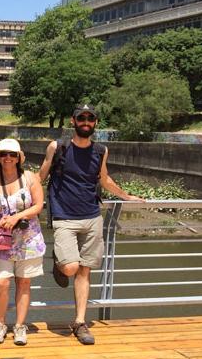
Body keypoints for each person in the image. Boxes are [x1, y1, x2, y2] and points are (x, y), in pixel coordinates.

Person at [38, 104, 145, 345]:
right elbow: (40, 177)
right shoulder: (58, 147)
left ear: (95, 122)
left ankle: (79, 322)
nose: (85, 122)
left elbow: (104, 179)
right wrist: (21, 198)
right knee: (71, 268)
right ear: (73, 121)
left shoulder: (100, 150)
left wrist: (126, 196)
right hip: (64, 216)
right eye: (81, 118)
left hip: (92, 216)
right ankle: (60, 263)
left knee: (85, 270)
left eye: (90, 118)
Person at [0, 138, 46, 346]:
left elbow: (38, 205)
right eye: (3, 154)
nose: (8, 158)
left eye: (12, 154)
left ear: (19, 158)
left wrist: (17, 217)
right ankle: (0, 324)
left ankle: (19, 325)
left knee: (24, 282)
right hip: (3, 239)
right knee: (2, 282)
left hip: (28, 239)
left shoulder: (29, 178)